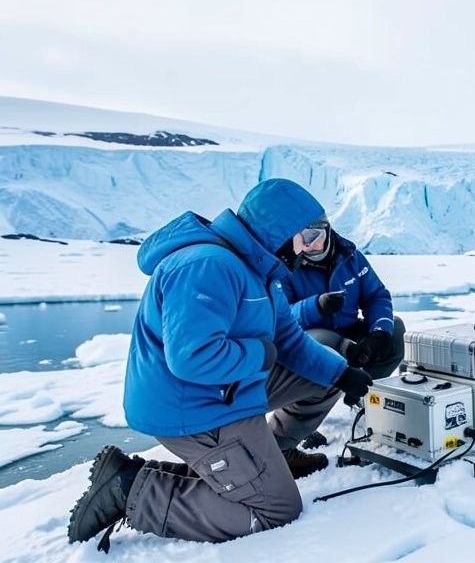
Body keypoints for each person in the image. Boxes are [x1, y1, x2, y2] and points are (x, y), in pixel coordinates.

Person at [67, 178, 376, 549]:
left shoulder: (260, 270)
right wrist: (259, 355)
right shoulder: (207, 266)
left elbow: (291, 341)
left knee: (324, 372)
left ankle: (270, 456)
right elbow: (192, 358)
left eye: (317, 238)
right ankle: (129, 488)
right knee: (276, 510)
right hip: (192, 407)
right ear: (278, 231)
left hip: (225, 387)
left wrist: (343, 374)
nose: (310, 248)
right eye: (306, 236)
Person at [279, 218, 405, 383]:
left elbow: (376, 296)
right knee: (319, 343)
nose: (308, 244)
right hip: (310, 336)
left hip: (348, 328)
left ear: (328, 231)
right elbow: (280, 318)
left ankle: (366, 393)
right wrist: (315, 306)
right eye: (300, 237)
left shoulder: (351, 257)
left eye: (314, 235)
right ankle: (335, 388)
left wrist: (379, 333)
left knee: (394, 329)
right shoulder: (286, 267)